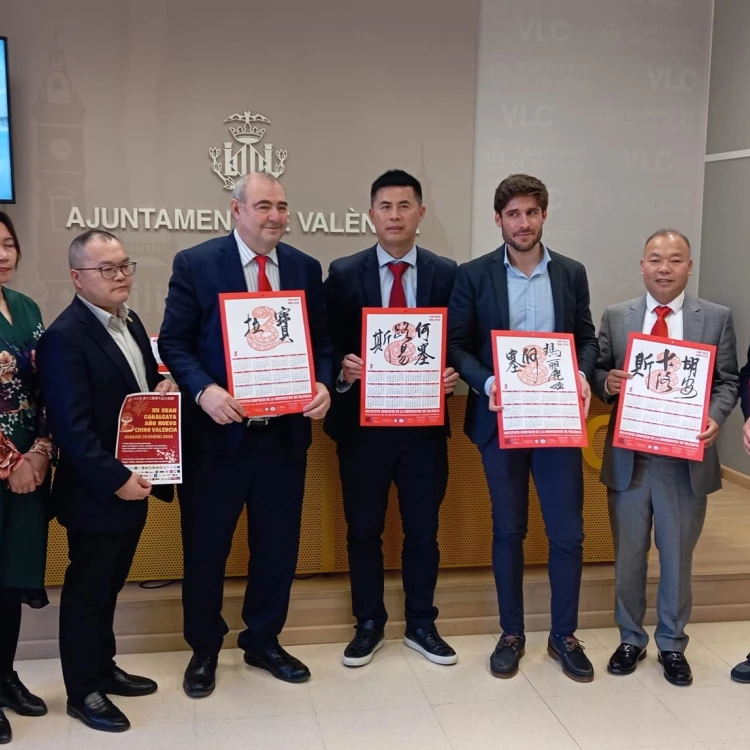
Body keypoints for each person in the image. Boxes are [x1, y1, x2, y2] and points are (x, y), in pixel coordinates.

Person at [159, 173, 335, 697]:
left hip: (283, 438)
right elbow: (175, 341)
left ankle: (263, 640)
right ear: (235, 211)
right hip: (218, 438)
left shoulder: (304, 267)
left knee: (277, 546)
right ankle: (204, 648)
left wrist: (324, 382)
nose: (275, 216)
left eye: (282, 206)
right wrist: (203, 391)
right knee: (207, 549)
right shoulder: (196, 263)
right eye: (263, 206)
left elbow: (322, 341)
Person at [447, 174, 599, 682]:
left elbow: (586, 339)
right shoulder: (473, 275)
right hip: (500, 420)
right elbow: (457, 345)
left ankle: (564, 636)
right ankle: (511, 634)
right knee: (508, 529)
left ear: (544, 216)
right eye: (513, 214)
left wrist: (579, 372)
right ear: (499, 220)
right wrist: (486, 381)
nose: (523, 223)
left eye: (531, 213)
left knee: (568, 534)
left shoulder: (572, 273)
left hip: (557, 423)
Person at [37, 230, 178, 733]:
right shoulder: (64, 336)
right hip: (98, 490)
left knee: (111, 585)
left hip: (135, 481)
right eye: (106, 269)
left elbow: (130, 394)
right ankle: (83, 691)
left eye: (124, 265)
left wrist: (161, 387)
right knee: (87, 591)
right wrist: (116, 479)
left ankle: (104, 666)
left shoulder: (131, 320)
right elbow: (71, 429)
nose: (121, 276)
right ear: (77, 277)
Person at [324, 170, 459, 667]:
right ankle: (369, 623)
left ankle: (422, 623)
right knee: (363, 530)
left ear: (421, 213)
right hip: (363, 431)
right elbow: (327, 342)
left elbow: (459, 343)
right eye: (386, 206)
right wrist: (342, 366)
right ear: (372, 214)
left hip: (424, 428)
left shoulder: (447, 273)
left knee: (423, 530)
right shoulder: (342, 272)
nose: (395, 215)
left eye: (405, 206)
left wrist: (453, 373)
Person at [593, 229, 738, 686]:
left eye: (675, 260)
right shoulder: (617, 317)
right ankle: (631, 638)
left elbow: (728, 380)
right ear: (641, 265)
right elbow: (597, 369)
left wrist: (715, 417)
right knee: (629, 556)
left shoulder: (714, 318)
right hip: (630, 459)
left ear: (689, 266)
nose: (664, 268)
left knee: (677, 558)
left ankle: (672, 645)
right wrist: (606, 383)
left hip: (684, 461)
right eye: (655, 259)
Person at [0, 213, 53, 745]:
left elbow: (46, 389)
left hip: (29, 471)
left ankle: (6, 676)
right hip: (4, 469)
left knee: (11, 581)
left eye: (9, 243)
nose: (4, 254)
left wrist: (38, 453)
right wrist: (8, 462)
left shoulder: (26, 308)